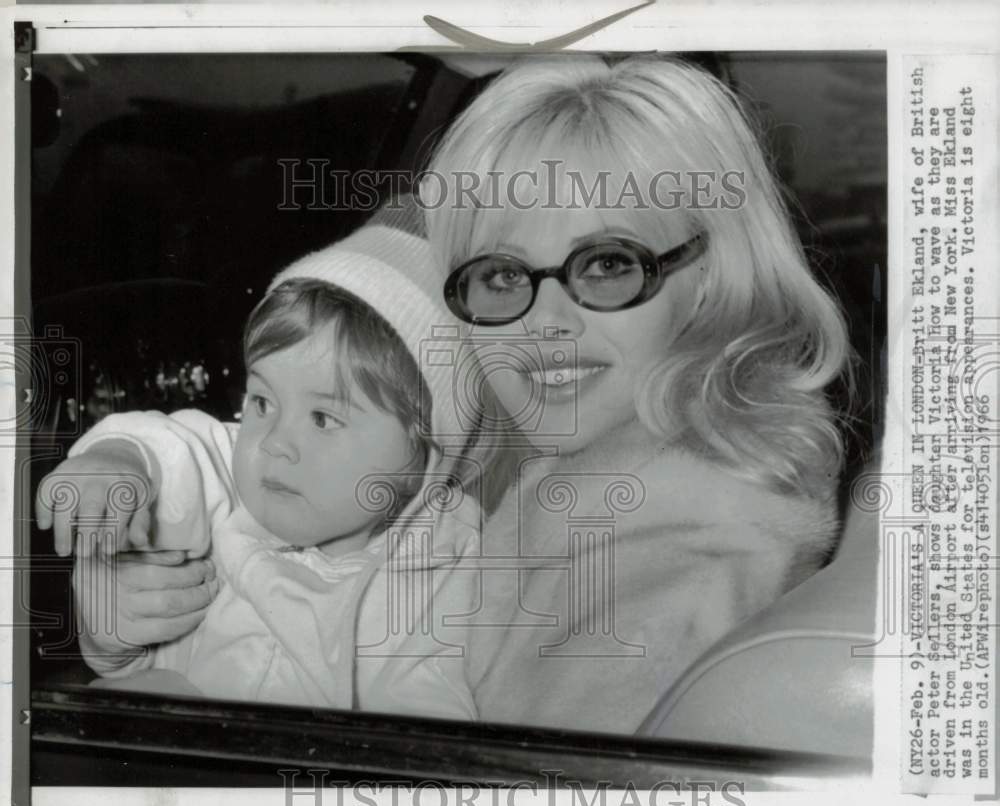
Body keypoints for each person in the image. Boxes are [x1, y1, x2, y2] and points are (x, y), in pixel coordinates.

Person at [64, 54, 856, 735]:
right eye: (504, 273)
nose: (545, 323)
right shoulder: (568, 439)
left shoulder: (670, 579)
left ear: (714, 279)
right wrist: (128, 619)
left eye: (608, 263)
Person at [37, 219, 483, 719]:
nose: (274, 443)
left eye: (323, 417)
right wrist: (116, 463)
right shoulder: (236, 484)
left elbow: (420, 748)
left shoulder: (442, 570)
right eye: (263, 402)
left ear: (426, 452)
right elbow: (176, 446)